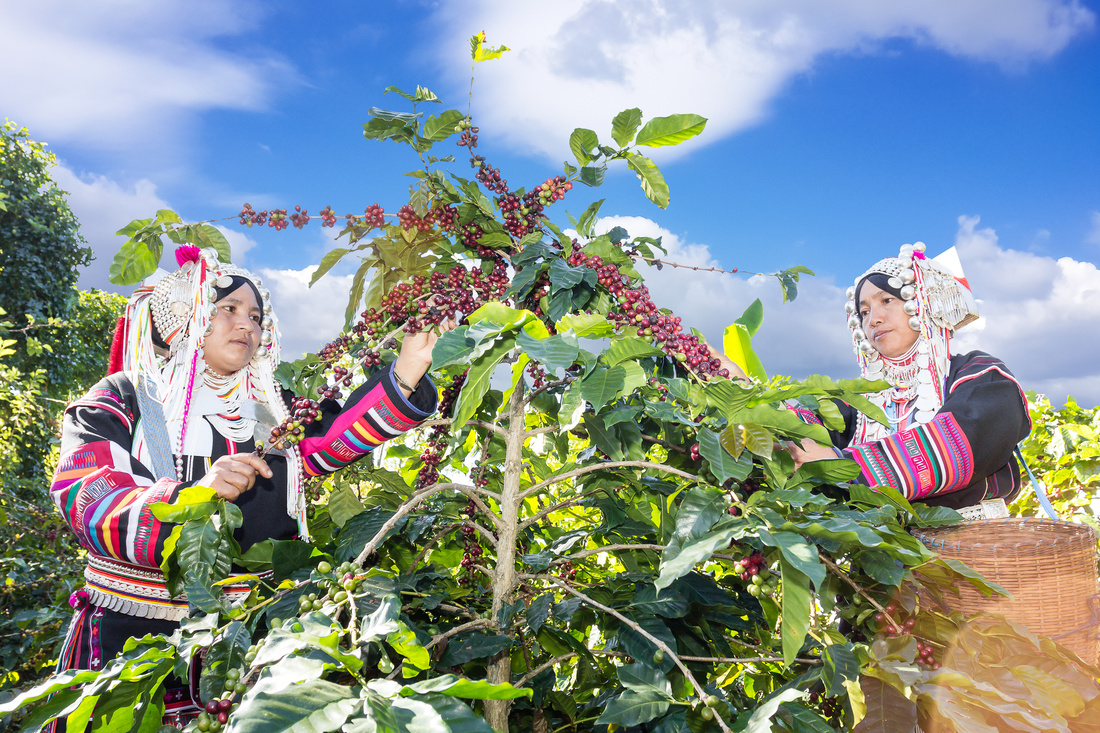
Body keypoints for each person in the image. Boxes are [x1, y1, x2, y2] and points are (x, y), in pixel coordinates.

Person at [48, 245, 446, 727]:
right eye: (228, 309)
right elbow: (85, 492)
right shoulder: (123, 396)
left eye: (256, 316)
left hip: (249, 639)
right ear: (184, 314)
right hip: (128, 633)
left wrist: (409, 365)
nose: (247, 325)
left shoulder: (272, 411)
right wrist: (193, 497)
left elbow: (333, 440)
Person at [786, 243, 1030, 515]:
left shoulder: (981, 375)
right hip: (874, 549)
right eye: (864, 312)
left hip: (975, 547)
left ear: (921, 302)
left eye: (887, 301)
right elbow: (800, 429)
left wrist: (839, 464)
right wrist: (742, 392)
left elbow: (962, 441)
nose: (874, 320)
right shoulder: (857, 401)